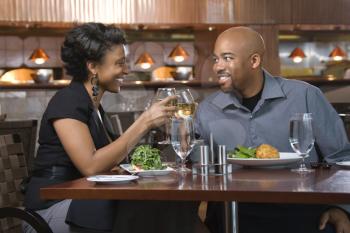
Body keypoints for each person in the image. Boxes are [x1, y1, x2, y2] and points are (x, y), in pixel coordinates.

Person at [23, 23, 207, 233]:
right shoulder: (67, 102)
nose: (126, 70)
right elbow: (91, 166)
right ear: (92, 66)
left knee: (170, 204)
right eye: (119, 63)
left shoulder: (93, 107)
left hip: (84, 199)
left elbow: (112, 163)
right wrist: (145, 122)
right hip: (50, 209)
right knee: (145, 210)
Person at [194, 26, 350, 233]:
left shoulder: (305, 96)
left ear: (254, 61)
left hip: (302, 214)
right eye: (216, 59)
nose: (217, 67)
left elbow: (341, 158)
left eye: (227, 58)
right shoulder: (206, 110)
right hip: (232, 215)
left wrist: (341, 208)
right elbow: (194, 171)